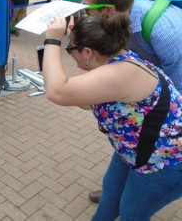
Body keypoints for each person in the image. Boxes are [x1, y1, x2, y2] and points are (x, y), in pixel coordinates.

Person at [43, 13, 182, 220]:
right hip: (134, 150)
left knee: (131, 213)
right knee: (110, 194)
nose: (70, 54)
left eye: (70, 49)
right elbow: (83, 101)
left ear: (88, 52)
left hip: (166, 160)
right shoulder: (112, 61)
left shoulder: (121, 73)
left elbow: (57, 91)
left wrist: (52, 39)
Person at [81, 0, 182, 206]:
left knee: (151, 153)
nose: (84, 14)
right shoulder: (117, 24)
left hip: (172, 91)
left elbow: (177, 91)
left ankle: (141, 193)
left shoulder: (162, 31)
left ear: (107, 11)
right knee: (131, 143)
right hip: (151, 89)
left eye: (87, 9)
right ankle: (116, 193)